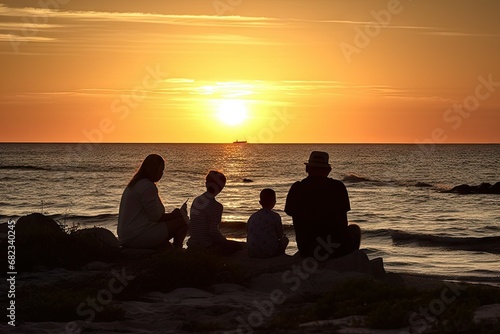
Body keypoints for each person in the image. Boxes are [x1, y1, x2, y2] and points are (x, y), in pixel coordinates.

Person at [285, 151, 361, 259]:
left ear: (307, 169)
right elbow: (343, 221)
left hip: (307, 250)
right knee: (354, 229)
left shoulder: (297, 188)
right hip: (336, 249)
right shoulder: (338, 187)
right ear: (328, 170)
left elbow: (289, 211)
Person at [117, 154, 188, 250]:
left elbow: (152, 215)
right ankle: (178, 251)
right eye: (161, 170)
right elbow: (156, 217)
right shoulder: (147, 186)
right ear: (154, 169)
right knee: (183, 221)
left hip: (127, 236)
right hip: (137, 236)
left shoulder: (136, 184)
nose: (162, 174)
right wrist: (175, 215)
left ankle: (173, 250)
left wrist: (173, 214)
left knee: (167, 247)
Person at [187, 171, 243, 256]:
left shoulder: (197, 200)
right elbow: (212, 231)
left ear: (206, 184)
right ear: (221, 188)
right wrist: (224, 240)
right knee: (238, 246)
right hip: (206, 247)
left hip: (192, 244)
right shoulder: (217, 206)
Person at [247, 188, 289, 258]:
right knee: (285, 240)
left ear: (260, 202)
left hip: (252, 252)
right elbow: (280, 235)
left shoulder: (253, 216)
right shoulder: (275, 216)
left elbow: (248, 230)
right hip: (270, 252)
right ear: (274, 202)